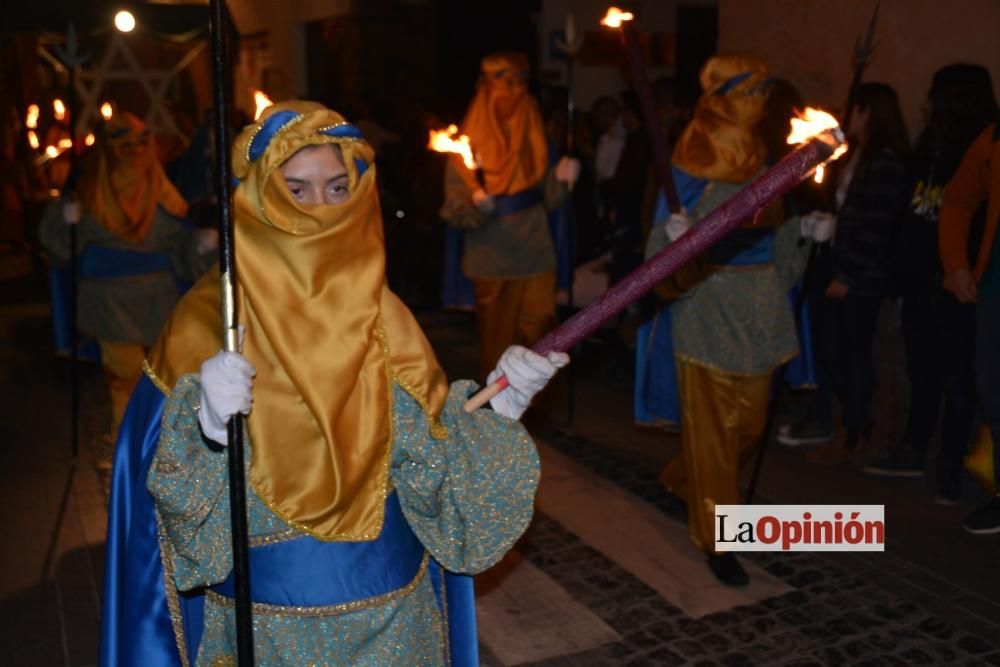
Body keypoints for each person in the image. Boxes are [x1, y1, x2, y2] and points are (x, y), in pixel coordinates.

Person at [99, 101, 568, 665]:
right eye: (296, 190)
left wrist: (497, 406)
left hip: (396, 628)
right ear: (258, 196)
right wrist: (205, 427)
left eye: (337, 189)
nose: (319, 209)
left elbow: (429, 464)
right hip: (268, 635)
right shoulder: (205, 322)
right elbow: (163, 522)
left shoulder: (384, 314)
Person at [641, 55, 831, 586]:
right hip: (707, 312)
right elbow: (654, 262)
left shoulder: (764, 159)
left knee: (745, 428)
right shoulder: (687, 166)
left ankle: (685, 478)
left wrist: (806, 236)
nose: (761, 100)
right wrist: (672, 243)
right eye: (751, 90)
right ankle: (718, 539)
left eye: (764, 89)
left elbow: (779, 254)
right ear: (722, 97)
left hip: (762, 318)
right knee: (714, 438)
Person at [862, 66, 998, 504]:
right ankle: (913, 447)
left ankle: (950, 468)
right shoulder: (934, 148)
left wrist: (958, 267)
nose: (926, 104)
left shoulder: (976, 143)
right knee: (924, 371)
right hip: (924, 280)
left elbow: (972, 215)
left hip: (962, 288)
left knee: (962, 379)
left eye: (935, 95)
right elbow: (926, 207)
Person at [40, 112, 216, 441]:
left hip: (159, 302)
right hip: (110, 302)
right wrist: (65, 222)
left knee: (168, 379)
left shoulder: (161, 192)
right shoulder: (90, 194)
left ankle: (166, 446)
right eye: (123, 143)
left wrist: (200, 244)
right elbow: (59, 250)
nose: (134, 150)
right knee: (125, 380)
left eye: (140, 142)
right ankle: (131, 444)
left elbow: (179, 243)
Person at [784, 83, 910, 462]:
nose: (846, 118)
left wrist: (849, 274)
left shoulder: (884, 161)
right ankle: (845, 425)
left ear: (868, 111)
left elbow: (878, 224)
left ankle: (857, 430)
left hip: (860, 276)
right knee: (831, 348)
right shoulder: (856, 155)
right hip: (836, 264)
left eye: (852, 110)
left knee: (852, 353)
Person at [440, 52, 580, 381]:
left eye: (520, 83)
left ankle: (536, 417)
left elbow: (550, 198)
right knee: (498, 342)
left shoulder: (536, 136)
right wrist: (475, 204)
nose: (514, 93)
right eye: (505, 84)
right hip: (491, 256)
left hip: (535, 250)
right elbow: (454, 204)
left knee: (541, 337)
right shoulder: (466, 141)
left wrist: (564, 180)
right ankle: (498, 421)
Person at [938, 94, 1000, 534]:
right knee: (993, 394)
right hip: (995, 290)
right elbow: (958, 200)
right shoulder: (992, 139)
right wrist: (956, 261)